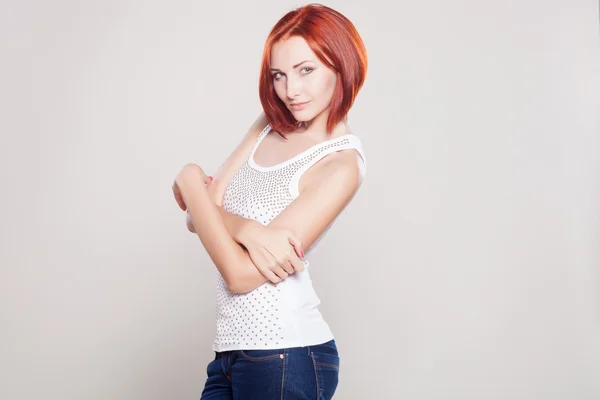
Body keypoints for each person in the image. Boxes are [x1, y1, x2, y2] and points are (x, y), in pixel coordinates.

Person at [172, 4, 368, 399]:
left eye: (306, 70)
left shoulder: (341, 164)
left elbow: (241, 275)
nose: (290, 90)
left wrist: (188, 178)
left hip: (285, 353)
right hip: (229, 352)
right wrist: (248, 229)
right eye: (279, 75)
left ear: (341, 64)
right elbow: (198, 216)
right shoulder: (268, 124)